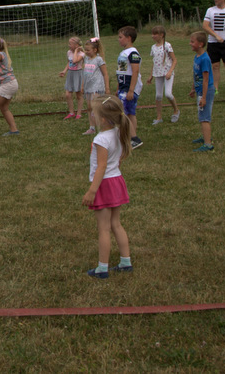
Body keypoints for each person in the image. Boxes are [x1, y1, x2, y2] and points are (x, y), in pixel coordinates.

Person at [81, 95, 133, 279]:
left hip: (104, 184)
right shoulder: (118, 133)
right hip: (116, 180)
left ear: (103, 119)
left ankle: (102, 269)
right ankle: (125, 262)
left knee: (103, 228)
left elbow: (101, 167)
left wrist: (92, 190)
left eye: (93, 114)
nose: (92, 116)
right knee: (116, 224)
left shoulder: (101, 139)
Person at [115, 26, 143, 149]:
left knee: (123, 113)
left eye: (121, 37)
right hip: (123, 87)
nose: (119, 40)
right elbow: (121, 71)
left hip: (129, 88)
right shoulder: (123, 53)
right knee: (130, 113)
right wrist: (118, 87)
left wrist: (131, 90)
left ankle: (134, 138)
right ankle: (131, 137)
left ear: (129, 38)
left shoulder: (133, 53)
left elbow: (135, 71)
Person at [147, 25, 180, 125]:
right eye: (152, 34)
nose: (153, 36)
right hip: (158, 74)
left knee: (168, 94)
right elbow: (154, 62)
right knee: (158, 96)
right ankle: (159, 117)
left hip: (167, 73)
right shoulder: (153, 47)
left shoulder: (167, 46)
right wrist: (151, 75)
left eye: (155, 34)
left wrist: (170, 72)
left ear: (161, 35)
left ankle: (176, 110)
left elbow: (174, 60)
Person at [188, 31, 215, 152]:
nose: (190, 44)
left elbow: (205, 79)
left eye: (192, 42)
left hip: (206, 91)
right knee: (201, 115)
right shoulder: (197, 56)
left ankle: (208, 144)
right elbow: (196, 75)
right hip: (200, 91)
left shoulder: (204, 59)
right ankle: (205, 136)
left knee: (204, 117)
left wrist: (204, 97)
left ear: (200, 44)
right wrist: (193, 88)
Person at [82, 38, 110, 136]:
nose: (86, 52)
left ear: (95, 50)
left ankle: (103, 125)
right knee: (89, 107)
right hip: (88, 87)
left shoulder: (99, 60)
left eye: (88, 50)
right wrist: (82, 86)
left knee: (96, 106)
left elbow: (105, 74)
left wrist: (107, 88)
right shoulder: (86, 59)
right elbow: (84, 74)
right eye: (85, 50)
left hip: (97, 86)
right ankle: (92, 127)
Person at [59, 36, 85, 120]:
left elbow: (74, 61)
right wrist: (64, 71)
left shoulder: (81, 54)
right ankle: (71, 112)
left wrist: (77, 51)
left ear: (76, 45)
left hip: (78, 73)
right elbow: (69, 62)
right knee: (68, 94)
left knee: (78, 95)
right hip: (70, 73)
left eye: (70, 44)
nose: (69, 45)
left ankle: (79, 113)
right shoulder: (69, 52)